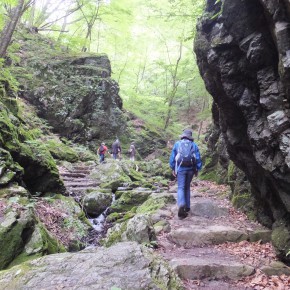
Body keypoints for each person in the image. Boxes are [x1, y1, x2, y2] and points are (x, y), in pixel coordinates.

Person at [169, 129, 202, 219]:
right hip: (191, 169)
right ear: (190, 137)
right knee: (187, 187)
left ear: (183, 136)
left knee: (181, 187)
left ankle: (181, 204)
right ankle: (187, 207)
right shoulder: (194, 145)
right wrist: (197, 169)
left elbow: (173, 157)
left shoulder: (177, 144)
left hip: (180, 169)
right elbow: (198, 158)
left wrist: (173, 168)